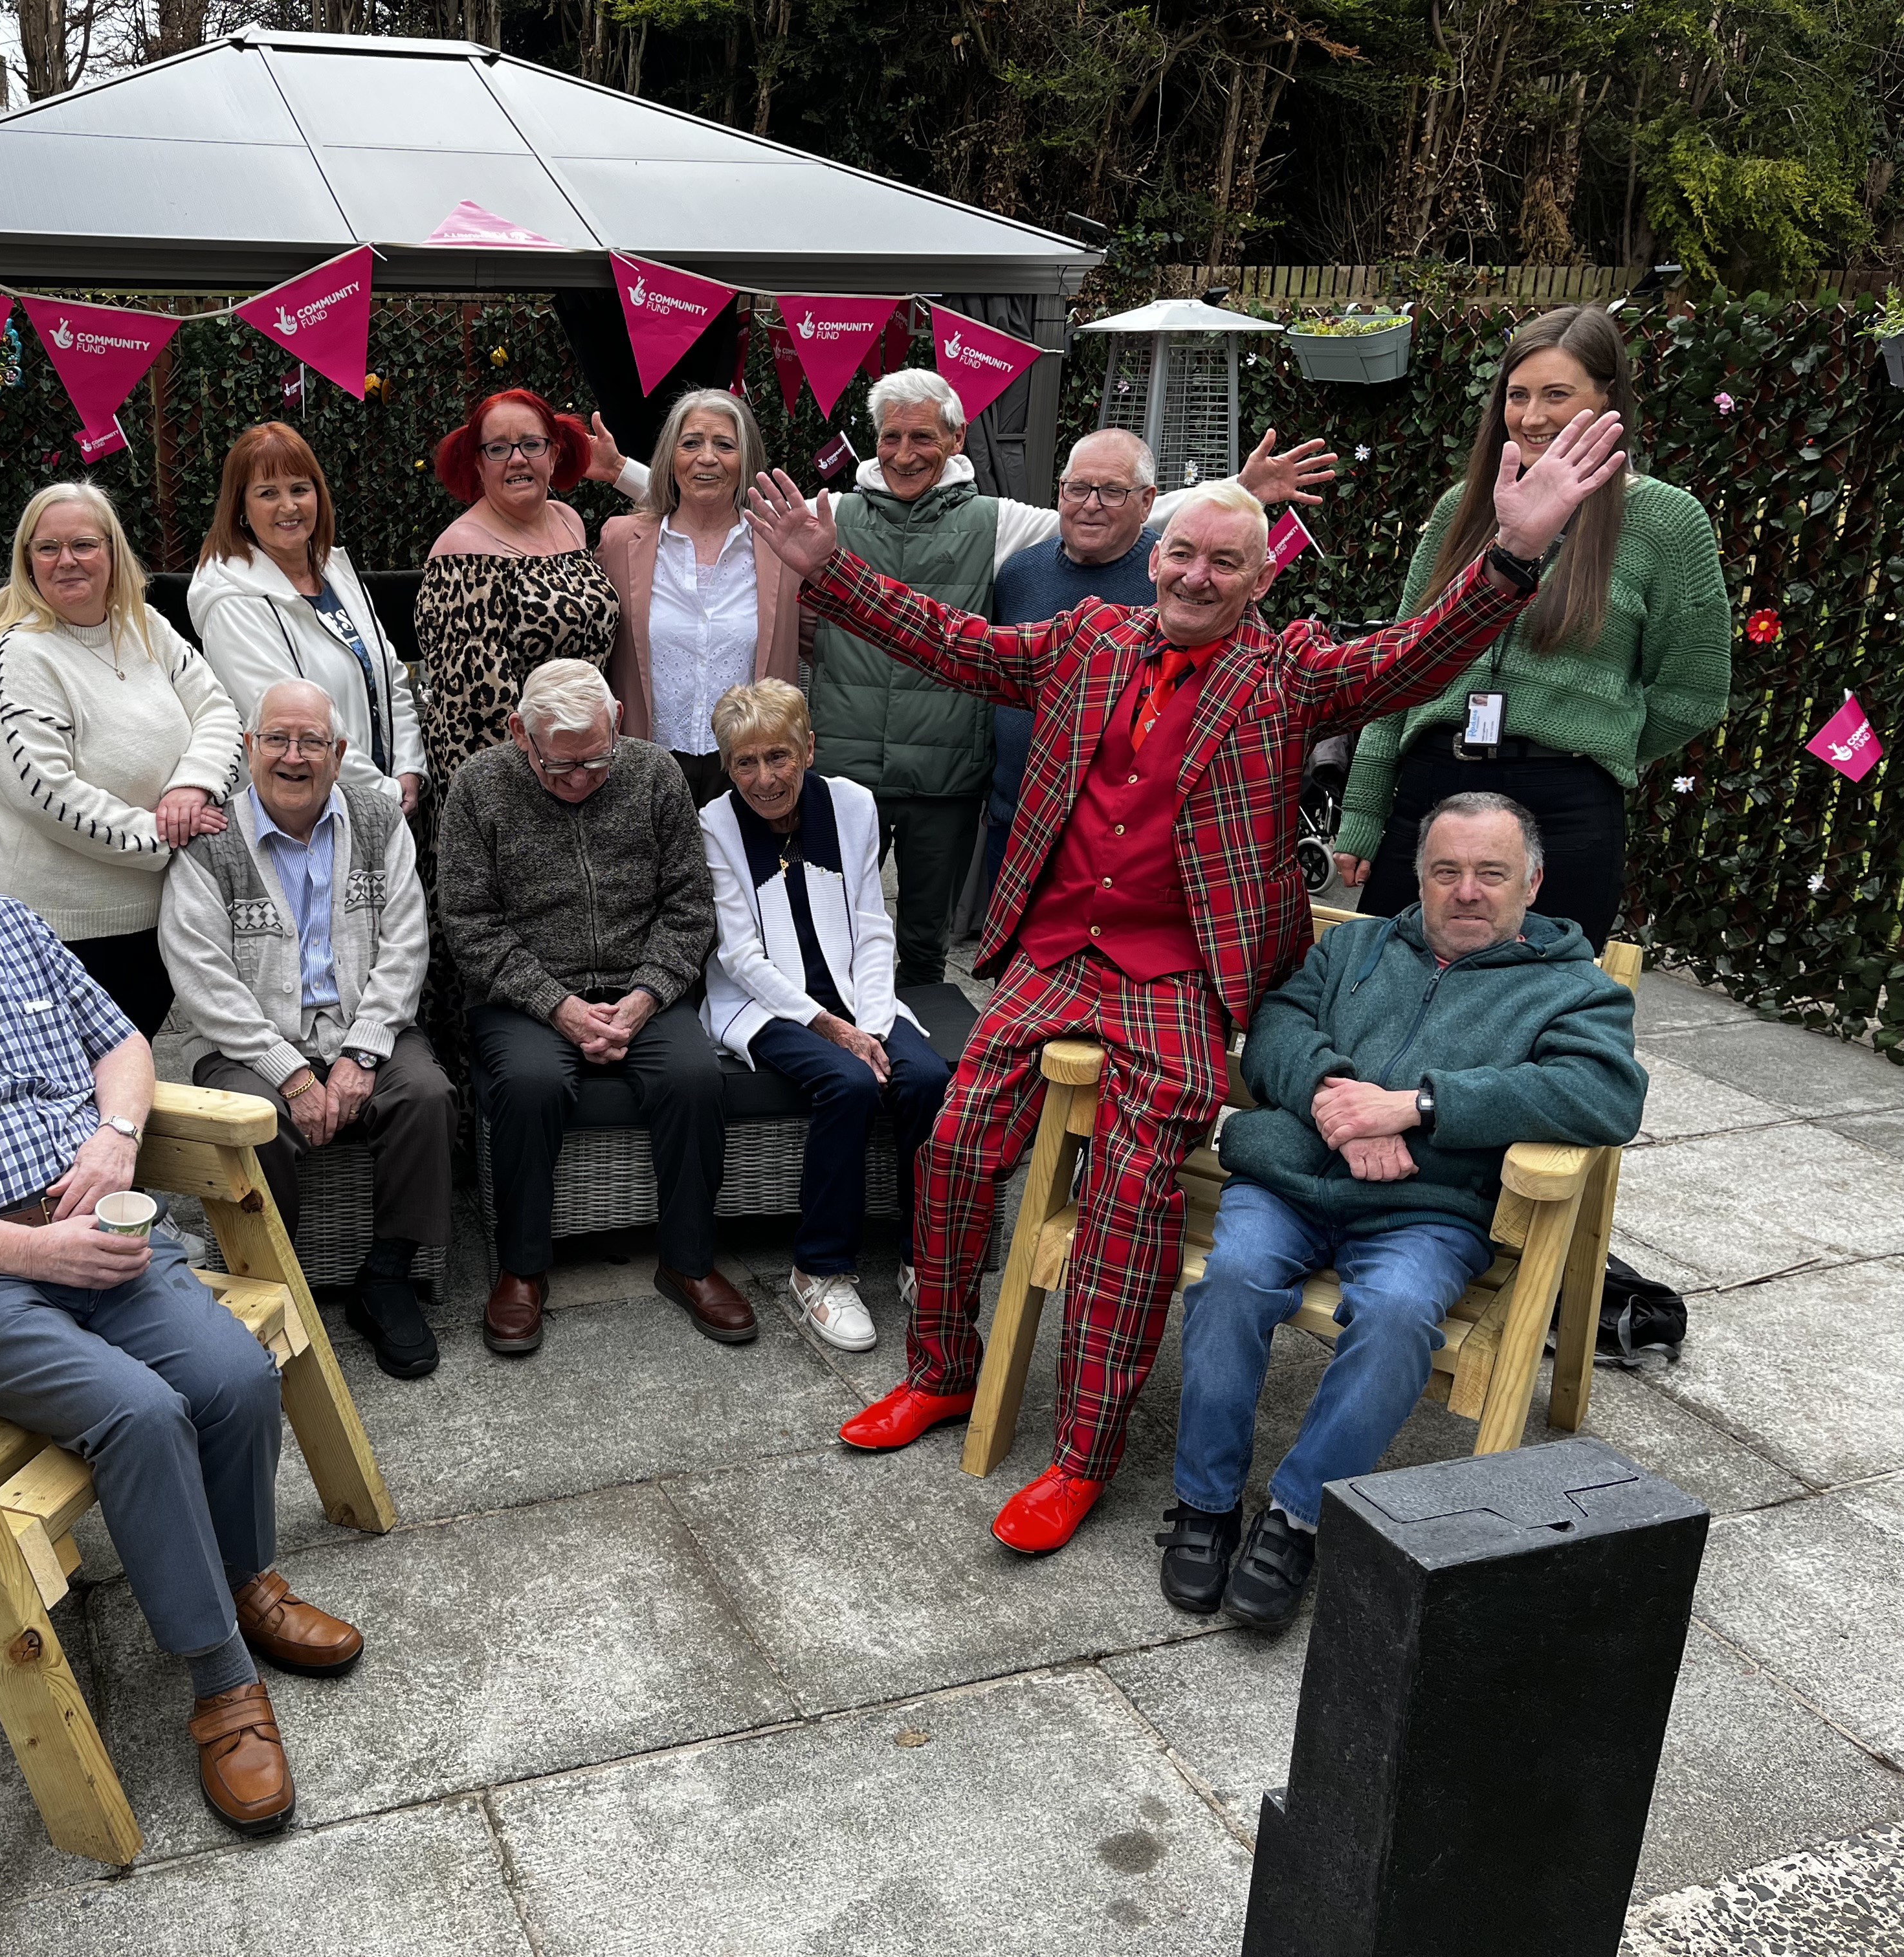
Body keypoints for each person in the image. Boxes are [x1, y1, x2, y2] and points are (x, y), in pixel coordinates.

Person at [740, 404, 1630, 1559]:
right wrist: (831, 572)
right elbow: (955, 644)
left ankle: (1082, 1455)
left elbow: (1410, 656)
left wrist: (1511, 555)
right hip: (1058, 954)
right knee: (952, 1149)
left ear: (1260, 579)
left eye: (1224, 562)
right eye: (1184, 554)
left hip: (1181, 976)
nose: (1197, 576)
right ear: (1156, 555)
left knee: (1128, 1193)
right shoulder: (1085, 638)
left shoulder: (1285, 675)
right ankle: (945, 1370)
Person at [0, 769, 361, 1838]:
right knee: (141, 1414)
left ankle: (244, 1578)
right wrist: (30, 1249)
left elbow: (124, 1044)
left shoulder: (20, 931)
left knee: (237, 1374)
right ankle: (221, 1680)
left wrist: (114, 1137)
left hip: (99, 1233)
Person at [606, 377, 1334, 986]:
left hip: (944, 771)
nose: (905, 453)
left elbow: (1104, 507)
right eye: (891, 437)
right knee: (813, 912)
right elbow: (715, 501)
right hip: (846, 759)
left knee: (923, 941)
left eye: (923, 437)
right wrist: (621, 473)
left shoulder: (999, 524)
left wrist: (1236, 491)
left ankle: (911, 1054)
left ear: (956, 440)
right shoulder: (836, 515)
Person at [1162, 793, 1645, 1626]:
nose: (1468, 891)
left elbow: (1603, 1094)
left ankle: (1298, 1516)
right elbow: (1278, 1025)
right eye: (1445, 872)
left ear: (1532, 882)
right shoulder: (1354, 948)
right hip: (1290, 1180)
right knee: (1233, 1279)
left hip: (1427, 1207)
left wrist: (1419, 1106)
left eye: (1491, 873)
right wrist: (1335, 1102)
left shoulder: (1574, 988)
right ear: (1419, 879)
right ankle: (1204, 1504)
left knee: (1395, 1316)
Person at [1332, 306, 1731, 950]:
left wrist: (1593, 734)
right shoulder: (1463, 510)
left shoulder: (1665, 523)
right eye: (1518, 395)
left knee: (1538, 999)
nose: (1532, 416)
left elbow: (1695, 692)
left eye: (1556, 394)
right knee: (1387, 986)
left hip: (1564, 813)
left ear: (1608, 397)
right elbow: (1396, 673)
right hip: (1432, 790)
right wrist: (1363, 812)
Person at [437, 658, 749, 1354]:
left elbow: (689, 907)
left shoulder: (655, 773)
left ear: (619, 720)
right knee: (531, 1085)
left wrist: (645, 997)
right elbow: (469, 924)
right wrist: (558, 1006)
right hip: (524, 995)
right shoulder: (478, 787)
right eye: (561, 765)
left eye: (597, 760)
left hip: (644, 985)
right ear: (520, 733)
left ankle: (689, 1262)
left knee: (695, 1079)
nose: (580, 779)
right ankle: (522, 1270)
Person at [163, 680, 454, 1382]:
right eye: (276, 739)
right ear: (248, 748)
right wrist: (289, 1071)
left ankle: (387, 1276)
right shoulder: (210, 841)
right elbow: (201, 977)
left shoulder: (379, 821)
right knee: (253, 1120)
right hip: (245, 1043)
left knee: (426, 1096)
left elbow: (406, 946)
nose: (293, 757)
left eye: (312, 742)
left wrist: (363, 1051)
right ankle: (271, 1284)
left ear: (339, 753)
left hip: (364, 1027)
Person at [699, 679, 953, 1351]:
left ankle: (922, 1255)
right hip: (766, 1004)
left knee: (926, 1078)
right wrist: (831, 1028)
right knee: (847, 1082)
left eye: (778, 756)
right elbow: (740, 955)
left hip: (855, 994)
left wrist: (871, 1023)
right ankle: (818, 1268)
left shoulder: (853, 805)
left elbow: (871, 924)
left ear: (809, 749)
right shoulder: (716, 824)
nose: (764, 779)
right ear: (728, 766)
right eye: (745, 762)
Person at [0, 481, 243, 1035]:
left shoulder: (144, 626)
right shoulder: (18, 657)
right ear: (27, 562)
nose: (66, 560)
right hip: (63, 940)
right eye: (48, 548)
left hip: (164, 917)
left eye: (83, 544)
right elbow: (45, 793)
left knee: (130, 1074)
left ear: (113, 553)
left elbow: (219, 711)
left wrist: (192, 787)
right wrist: (167, 838)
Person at [187, 421, 428, 818]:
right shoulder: (231, 605)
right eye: (268, 493)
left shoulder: (336, 573)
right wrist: (383, 793)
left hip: (379, 808)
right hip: (296, 820)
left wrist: (409, 769)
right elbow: (292, 727)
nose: (289, 506)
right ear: (241, 508)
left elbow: (389, 676)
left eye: (300, 489)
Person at [597, 390, 803, 806]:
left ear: (746, 459)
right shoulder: (620, 541)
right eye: (691, 443)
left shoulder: (782, 547)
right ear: (670, 457)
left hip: (753, 768)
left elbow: (824, 644)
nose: (707, 458)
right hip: (645, 764)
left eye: (725, 445)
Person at [415, 388, 621, 786]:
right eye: (498, 449)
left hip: (586, 762)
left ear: (554, 453)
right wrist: (543, 785)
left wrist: (618, 472)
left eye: (532, 444)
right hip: (515, 778)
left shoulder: (569, 521)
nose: (517, 459)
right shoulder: (462, 553)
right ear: (478, 463)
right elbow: (480, 707)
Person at [987, 429, 1163, 882]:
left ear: (1147, 502)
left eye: (1112, 491)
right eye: (1078, 488)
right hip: (1013, 824)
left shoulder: (1169, 583)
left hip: (1117, 842)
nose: (1090, 504)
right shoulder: (1020, 573)